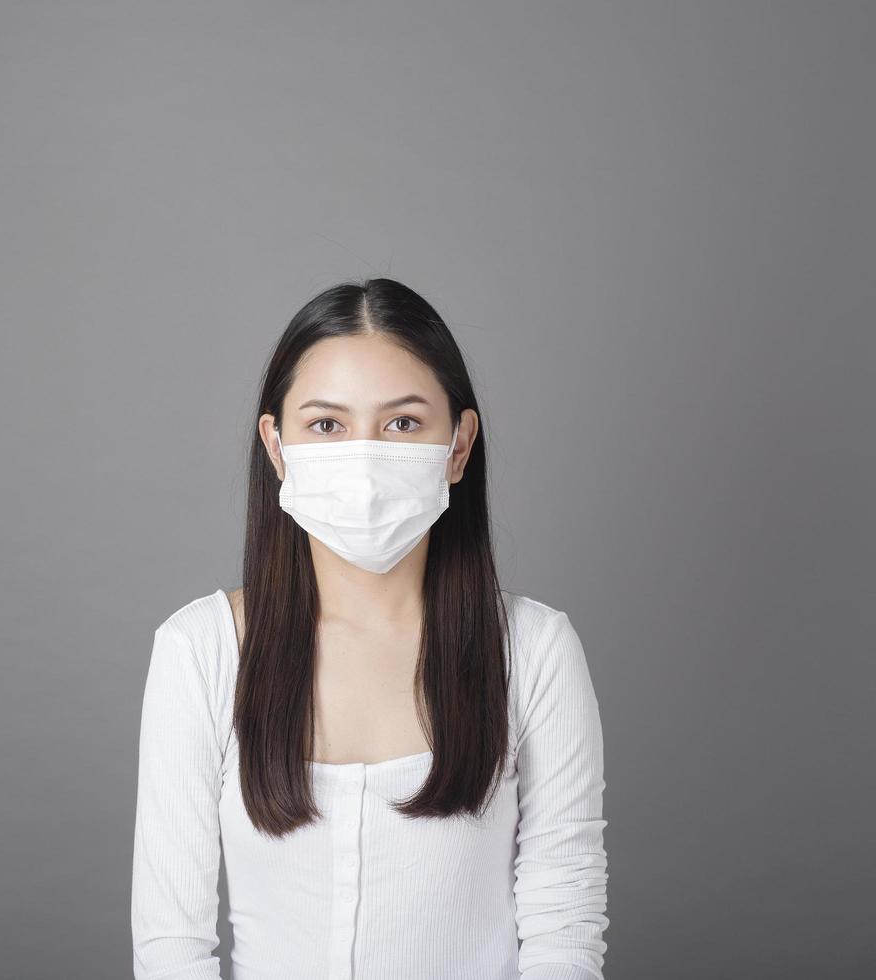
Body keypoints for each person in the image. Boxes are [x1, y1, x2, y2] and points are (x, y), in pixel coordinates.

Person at [130, 278, 609, 979]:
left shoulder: (534, 652)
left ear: (459, 443)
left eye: (403, 424)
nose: (364, 458)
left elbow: (564, 923)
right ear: (277, 444)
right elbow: (173, 944)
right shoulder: (200, 652)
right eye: (327, 425)